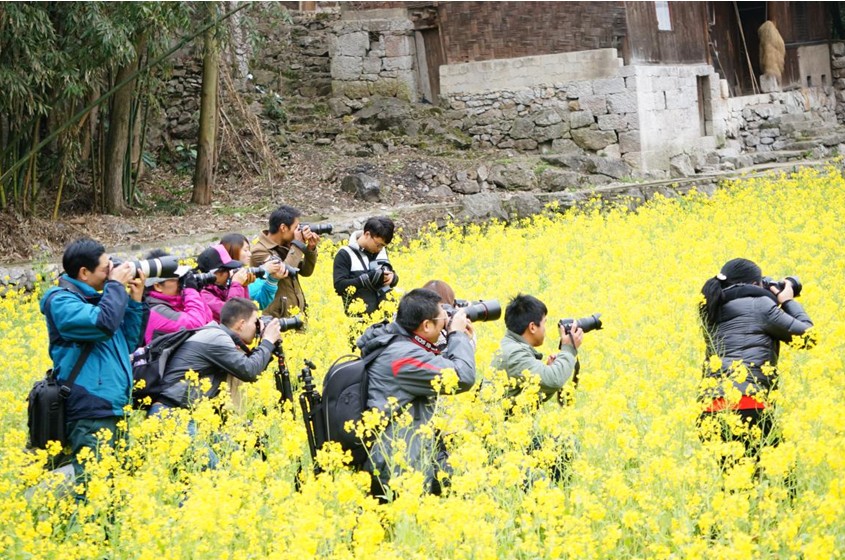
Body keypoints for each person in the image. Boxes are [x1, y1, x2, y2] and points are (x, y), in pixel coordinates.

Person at [40, 238, 146, 477]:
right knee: (93, 487)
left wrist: (135, 300)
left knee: (116, 485)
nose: (111, 273)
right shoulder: (61, 301)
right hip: (90, 407)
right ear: (84, 272)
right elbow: (103, 325)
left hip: (113, 406)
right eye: (105, 268)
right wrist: (116, 287)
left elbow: (126, 343)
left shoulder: (101, 301)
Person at [357, 288, 476, 497]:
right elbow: (462, 376)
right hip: (398, 465)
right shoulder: (401, 356)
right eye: (442, 319)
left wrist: (462, 342)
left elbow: (434, 364)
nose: (445, 324)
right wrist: (457, 335)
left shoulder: (396, 341)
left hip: (405, 454)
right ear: (426, 325)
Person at [697, 258, 813, 470]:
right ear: (756, 284)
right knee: (783, 479)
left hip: (710, 409)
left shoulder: (712, 308)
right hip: (748, 405)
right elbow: (807, 336)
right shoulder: (760, 305)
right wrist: (787, 300)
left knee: (734, 485)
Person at [152, 297, 281, 411]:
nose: (257, 327)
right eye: (255, 322)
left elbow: (252, 370)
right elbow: (249, 370)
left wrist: (267, 346)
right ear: (241, 324)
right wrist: (268, 341)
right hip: (171, 413)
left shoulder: (217, 335)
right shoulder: (217, 337)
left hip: (183, 412)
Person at [491, 294, 583, 401]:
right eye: (544, 323)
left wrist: (547, 373)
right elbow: (554, 380)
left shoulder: (510, 346)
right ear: (532, 327)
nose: (545, 329)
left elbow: (526, 402)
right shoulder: (515, 354)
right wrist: (569, 349)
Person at [250, 205, 321, 318]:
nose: (299, 232)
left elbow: (306, 272)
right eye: (296, 228)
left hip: (296, 314)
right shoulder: (259, 251)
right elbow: (284, 271)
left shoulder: (286, 246)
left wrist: (310, 249)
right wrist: (298, 244)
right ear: (283, 228)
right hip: (276, 317)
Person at [142, 249, 212, 345]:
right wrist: (191, 291)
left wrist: (196, 291)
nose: (181, 283)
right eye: (177, 279)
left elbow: (207, 322)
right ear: (158, 286)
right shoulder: (155, 311)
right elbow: (197, 325)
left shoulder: (175, 302)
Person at [333, 216, 398, 316]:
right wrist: (366, 279)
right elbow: (339, 286)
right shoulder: (345, 254)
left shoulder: (381, 251)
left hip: (386, 319)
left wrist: (392, 278)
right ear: (367, 234)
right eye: (378, 245)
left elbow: (389, 272)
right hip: (359, 321)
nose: (380, 249)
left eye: (383, 246)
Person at [219, 232, 286, 311]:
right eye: (245, 250)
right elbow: (246, 292)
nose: (250, 254)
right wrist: (264, 271)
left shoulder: (244, 271)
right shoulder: (222, 275)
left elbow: (259, 303)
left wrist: (272, 280)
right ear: (233, 250)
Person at [196, 244, 250, 322]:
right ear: (212, 274)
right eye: (225, 270)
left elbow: (246, 311)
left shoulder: (222, 286)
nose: (229, 273)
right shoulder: (203, 295)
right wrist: (236, 285)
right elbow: (232, 315)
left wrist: (243, 286)